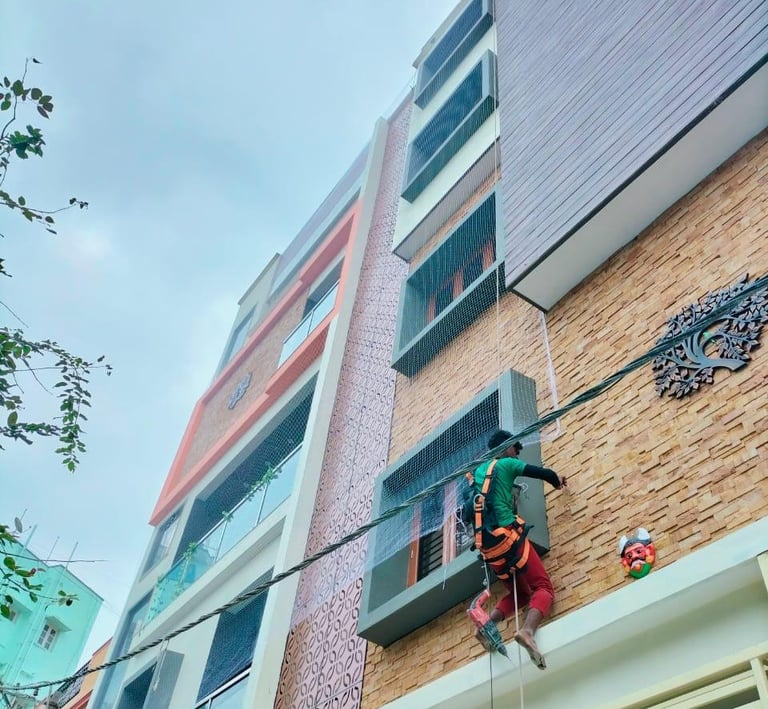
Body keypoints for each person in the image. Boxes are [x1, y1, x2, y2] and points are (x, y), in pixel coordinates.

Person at [468, 429, 565, 669]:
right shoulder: (507, 464)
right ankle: (527, 631)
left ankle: (485, 629)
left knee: (521, 594)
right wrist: (558, 481)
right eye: (515, 449)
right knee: (543, 588)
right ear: (506, 447)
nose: (517, 454)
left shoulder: (477, 473)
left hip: (489, 551)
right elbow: (542, 473)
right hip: (509, 540)